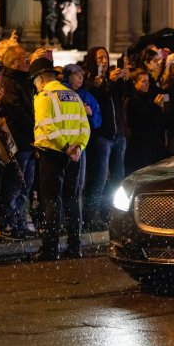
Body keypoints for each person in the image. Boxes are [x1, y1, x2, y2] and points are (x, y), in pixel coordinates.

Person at [29, 57, 90, 260]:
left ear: (40, 78)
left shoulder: (44, 96)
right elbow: (85, 127)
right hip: (74, 157)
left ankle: (50, 249)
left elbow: (47, 126)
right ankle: (75, 247)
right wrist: (78, 148)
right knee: (72, 201)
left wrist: (65, 147)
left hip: (53, 154)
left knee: (51, 202)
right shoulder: (73, 95)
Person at [82, 47, 127, 230]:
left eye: (106, 57)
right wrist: (106, 82)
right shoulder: (88, 81)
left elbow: (125, 94)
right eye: (100, 58)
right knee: (98, 179)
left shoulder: (112, 80)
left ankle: (112, 214)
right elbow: (95, 96)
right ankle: (91, 216)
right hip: (102, 137)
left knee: (117, 179)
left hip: (118, 136)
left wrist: (124, 78)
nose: (104, 61)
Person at [0, 46, 36, 240]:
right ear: (12, 63)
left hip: (28, 142)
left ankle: (18, 222)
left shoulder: (25, 82)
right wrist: (36, 126)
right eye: (24, 58)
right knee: (14, 185)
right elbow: (17, 112)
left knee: (24, 185)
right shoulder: (10, 83)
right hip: (18, 142)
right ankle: (8, 223)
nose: (28, 61)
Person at [63, 63, 101, 228]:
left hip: (80, 146)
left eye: (82, 76)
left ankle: (74, 224)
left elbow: (97, 121)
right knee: (63, 184)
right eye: (77, 74)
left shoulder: (86, 96)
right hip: (61, 144)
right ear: (68, 76)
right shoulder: (61, 93)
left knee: (78, 184)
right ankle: (61, 221)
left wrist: (90, 115)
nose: (80, 78)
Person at [124, 70, 167, 174]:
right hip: (139, 148)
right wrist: (156, 107)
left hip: (151, 146)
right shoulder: (132, 101)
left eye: (148, 81)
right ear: (135, 83)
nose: (147, 84)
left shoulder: (148, 98)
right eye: (143, 81)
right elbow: (141, 124)